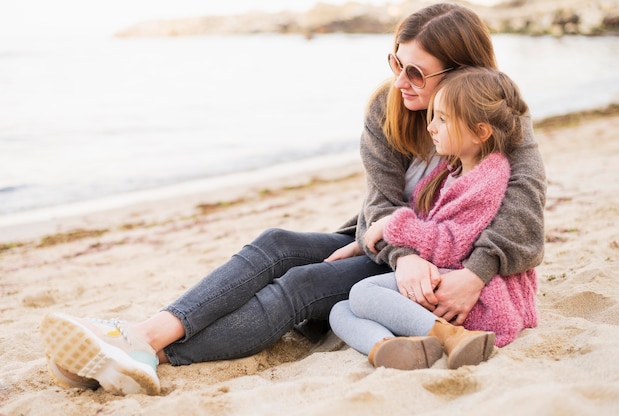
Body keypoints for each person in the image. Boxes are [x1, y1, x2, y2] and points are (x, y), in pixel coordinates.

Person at [39, 3, 546, 395]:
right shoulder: (387, 107)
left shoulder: (496, 118)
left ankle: (153, 352)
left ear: (461, 72)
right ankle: (145, 335)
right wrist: (403, 254)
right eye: (397, 61)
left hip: (445, 266)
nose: (401, 81)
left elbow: (524, 214)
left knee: (302, 284)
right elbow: (380, 201)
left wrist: (475, 273)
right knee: (276, 242)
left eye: (417, 72)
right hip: (390, 248)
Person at [329, 66, 539, 371]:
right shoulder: (453, 169)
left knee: (364, 292)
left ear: (480, 132)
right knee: (339, 310)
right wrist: (363, 241)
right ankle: (388, 348)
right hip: (444, 274)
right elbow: (426, 217)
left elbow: (453, 245)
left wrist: (393, 225)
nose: (431, 127)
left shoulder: (487, 178)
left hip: (471, 294)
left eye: (442, 119)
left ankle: (452, 336)